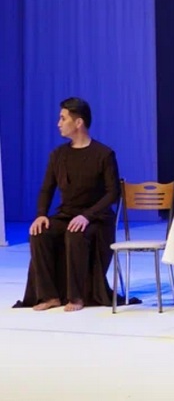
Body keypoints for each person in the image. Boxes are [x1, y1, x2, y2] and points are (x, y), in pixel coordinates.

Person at [19, 98, 120, 311]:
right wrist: (41, 214)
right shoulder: (58, 155)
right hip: (67, 214)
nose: (59, 123)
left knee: (75, 233)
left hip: (96, 218)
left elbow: (113, 193)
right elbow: (47, 189)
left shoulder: (103, 154)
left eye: (63, 118)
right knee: (39, 233)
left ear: (78, 122)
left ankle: (77, 296)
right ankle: (49, 295)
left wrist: (87, 216)